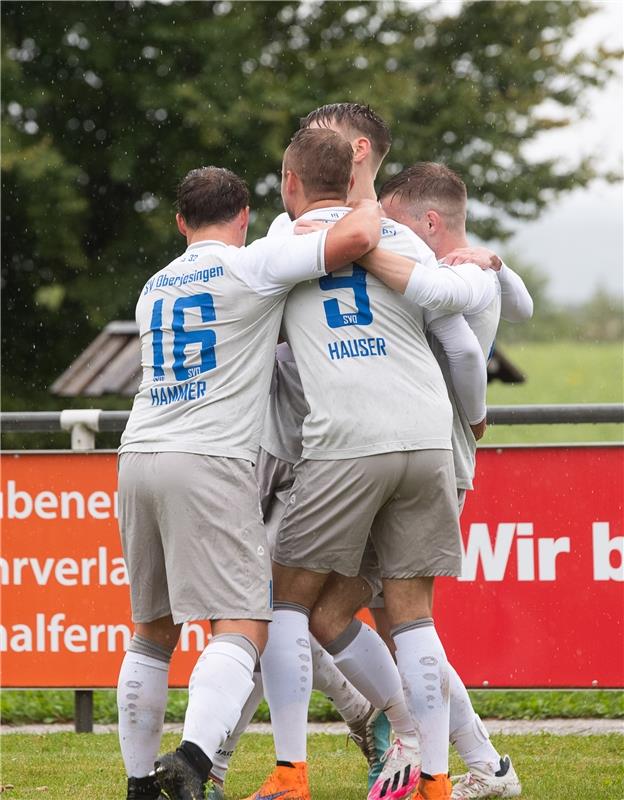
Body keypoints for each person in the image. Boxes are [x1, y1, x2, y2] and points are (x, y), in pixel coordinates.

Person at [115, 163, 382, 800]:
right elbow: (355, 238)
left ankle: (137, 785)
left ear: (180, 222)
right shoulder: (254, 262)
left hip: (137, 451)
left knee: (152, 629)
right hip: (210, 458)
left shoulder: (154, 285)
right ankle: (194, 761)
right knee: (244, 624)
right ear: (243, 218)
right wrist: (366, 183)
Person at [248, 122, 495, 800]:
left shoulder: (283, 244)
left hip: (347, 440)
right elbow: (463, 348)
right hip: (427, 438)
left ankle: (291, 771)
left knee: (283, 603)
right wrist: (472, 421)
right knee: (411, 615)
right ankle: (437, 780)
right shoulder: (405, 236)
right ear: (359, 172)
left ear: (291, 183)